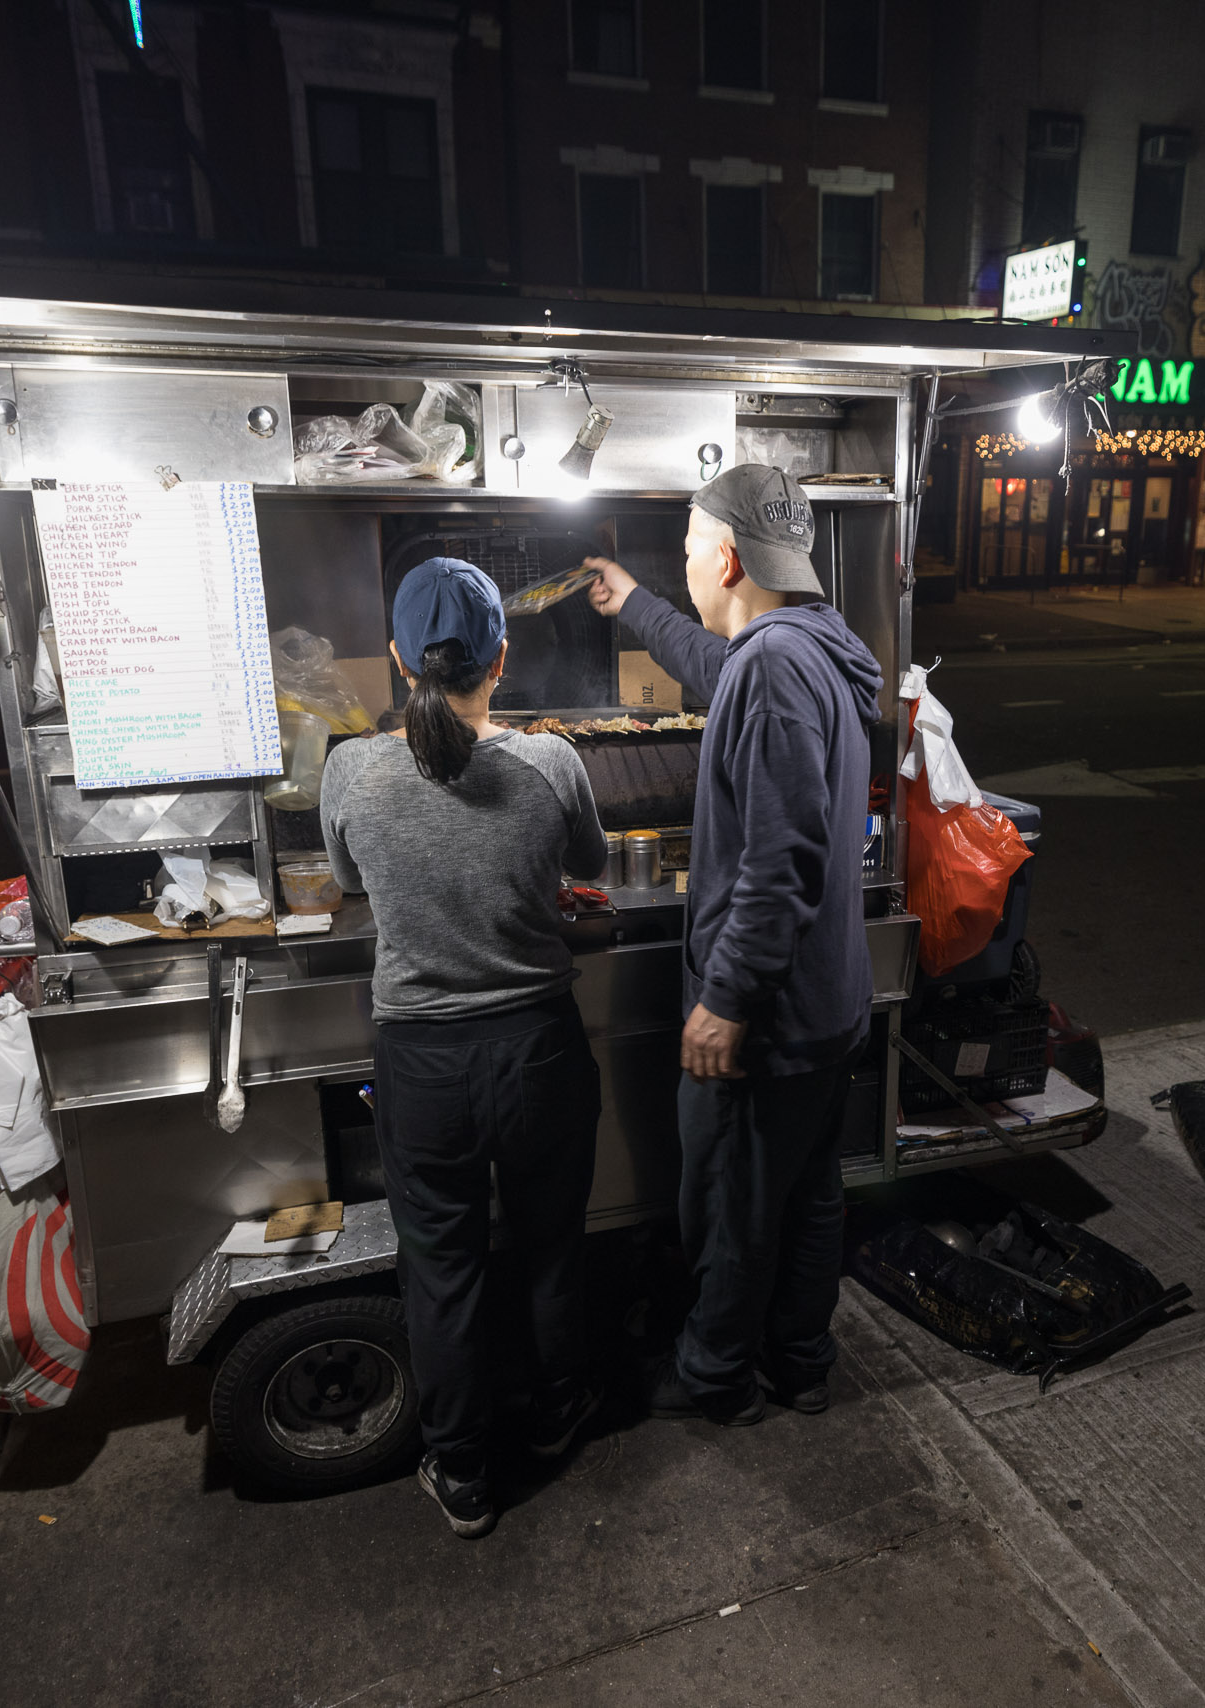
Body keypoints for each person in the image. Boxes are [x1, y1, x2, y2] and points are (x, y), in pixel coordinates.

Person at [584, 465, 885, 1427]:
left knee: (729, 1206)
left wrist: (727, 997)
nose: (685, 567)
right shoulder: (812, 650)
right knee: (805, 1198)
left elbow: (779, 857)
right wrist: (637, 605)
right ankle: (800, 1363)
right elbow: (720, 666)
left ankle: (716, 1378)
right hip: (829, 1005)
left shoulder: (773, 669)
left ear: (725, 555)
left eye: (684, 554)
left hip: (769, 1017)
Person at [319, 556, 609, 1538]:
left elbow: (350, 879)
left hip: (423, 1065)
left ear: (400, 656)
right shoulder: (552, 762)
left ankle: (463, 1471)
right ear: (503, 656)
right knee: (550, 1250)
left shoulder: (349, 769)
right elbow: (587, 865)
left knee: (441, 1267)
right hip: (536, 1050)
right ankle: (557, 1416)